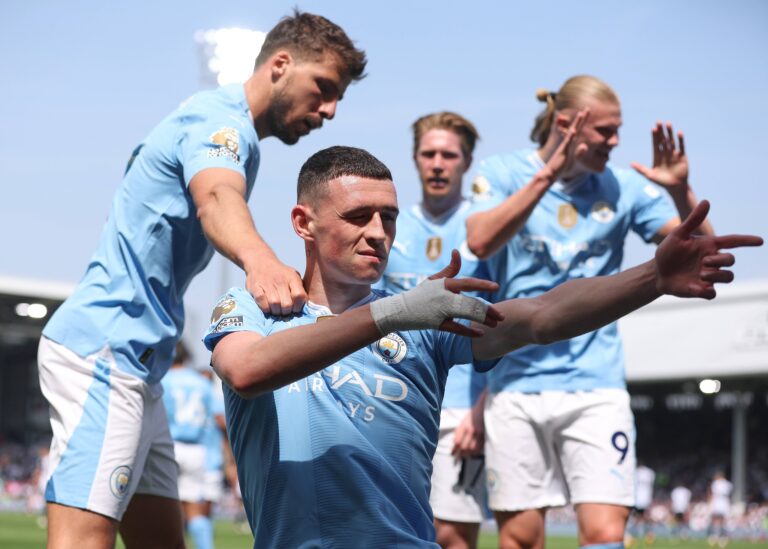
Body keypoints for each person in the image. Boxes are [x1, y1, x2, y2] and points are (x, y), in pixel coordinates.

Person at [202, 145, 759, 548]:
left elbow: (541, 314)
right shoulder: (256, 308)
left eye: (389, 218)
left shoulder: (425, 317)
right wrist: (392, 312)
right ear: (304, 223)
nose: (378, 232)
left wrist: (651, 279)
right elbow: (246, 370)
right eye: (357, 216)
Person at [36, 11, 366, 549]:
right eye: (323, 89)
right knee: (81, 541)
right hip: (105, 350)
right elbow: (216, 196)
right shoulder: (219, 124)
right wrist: (260, 260)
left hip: (142, 366)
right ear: (280, 65)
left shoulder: (236, 136)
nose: (328, 111)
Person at [466, 74, 715, 549]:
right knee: (519, 539)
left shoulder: (622, 186)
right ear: (567, 124)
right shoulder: (500, 173)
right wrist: (546, 176)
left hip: (596, 384)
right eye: (605, 131)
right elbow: (481, 239)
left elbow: (703, 254)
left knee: (604, 534)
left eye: (617, 129)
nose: (616, 141)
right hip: (515, 386)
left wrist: (682, 192)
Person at [377, 112, 489, 549]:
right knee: (388, 528)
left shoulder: (488, 230)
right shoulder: (387, 225)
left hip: (463, 405)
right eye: (429, 154)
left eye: (449, 154)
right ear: (415, 159)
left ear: (467, 162)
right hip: (396, 397)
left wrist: (484, 407)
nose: (438, 163)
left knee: (453, 538)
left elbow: (509, 323)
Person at [161, 343, 215, 549]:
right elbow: (215, 418)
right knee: (195, 511)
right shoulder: (202, 383)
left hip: (168, 447)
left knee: (162, 507)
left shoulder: (163, 380)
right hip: (196, 450)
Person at [708, 471, 732, 547]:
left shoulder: (715, 483)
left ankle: (716, 536)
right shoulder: (728, 484)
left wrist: (710, 504)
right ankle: (722, 537)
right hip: (724, 503)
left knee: (716, 520)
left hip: (718, 502)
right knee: (722, 520)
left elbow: (712, 495)